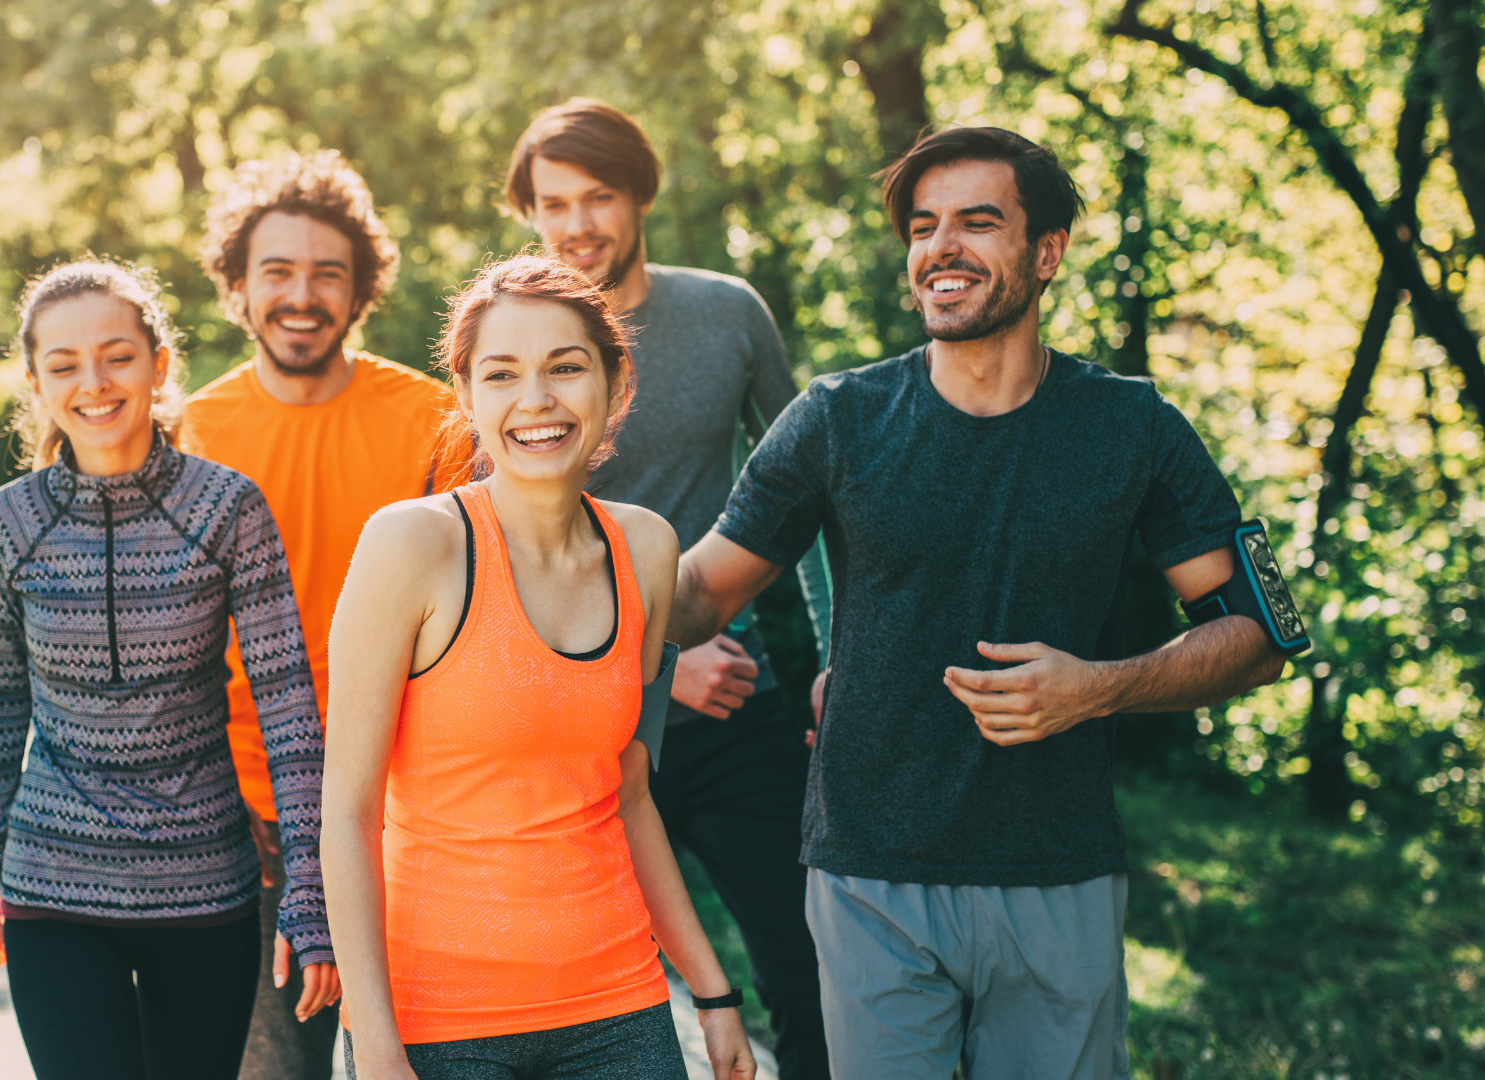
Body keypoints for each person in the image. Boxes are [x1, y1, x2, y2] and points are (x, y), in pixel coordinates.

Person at [668, 127, 1298, 1078]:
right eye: (923, 227)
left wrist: (1098, 688)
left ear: (1047, 252)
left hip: (1059, 872)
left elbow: (1256, 636)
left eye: (977, 221)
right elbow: (698, 592)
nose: (940, 248)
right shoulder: (838, 419)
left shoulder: (1133, 426)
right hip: (869, 874)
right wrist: (566, 549)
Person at [323, 255, 756, 1080]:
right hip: (440, 1020)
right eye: (502, 374)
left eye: (565, 367)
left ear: (616, 383)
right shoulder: (410, 546)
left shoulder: (647, 550)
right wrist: (374, 1041)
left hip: (618, 1008)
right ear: (466, 394)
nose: (537, 400)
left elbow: (630, 793)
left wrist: (712, 990)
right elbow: (347, 813)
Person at [0, 261, 339, 1080]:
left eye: (117, 356)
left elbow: (287, 706)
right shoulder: (8, 522)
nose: (93, 383)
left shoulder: (228, 508)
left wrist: (308, 885)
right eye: (64, 365)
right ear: (35, 383)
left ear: (159, 365)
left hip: (205, 887)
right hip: (53, 885)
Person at [504, 97, 828, 1078]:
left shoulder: (727, 314)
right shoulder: (513, 340)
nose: (577, 225)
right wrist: (657, 662)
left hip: (735, 707)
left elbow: (815, 496)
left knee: (810, 969)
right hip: (582, 731)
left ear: (642, 195)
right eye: (553, 204)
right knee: (582, 1000)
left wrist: (840, 659)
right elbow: (506, 550)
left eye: (598, 197)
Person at [179, 149, 467, 1077]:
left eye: (327, 273)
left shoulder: (434, 420)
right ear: (237, 284)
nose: (301, 296)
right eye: (277, 271)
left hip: (413, 808)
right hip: (247, 815)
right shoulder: (191, 432)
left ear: (360, 288)